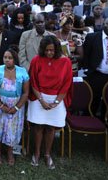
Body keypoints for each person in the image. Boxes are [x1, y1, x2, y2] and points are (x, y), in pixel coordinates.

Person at [28, 36, 72, 170]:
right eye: (46, 50)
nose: (49, 53)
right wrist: (41, 100)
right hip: (38, 97)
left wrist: (57, 101)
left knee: (51, 127)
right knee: (38, 127)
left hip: (57, 98)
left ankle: (47, 154)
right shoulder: (36, 60)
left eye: (52, 50)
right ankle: (36, 153)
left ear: (57, 49)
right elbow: (33, 82)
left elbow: (67, 83)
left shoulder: (66, 62)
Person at [0, 48, 30, 165]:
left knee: (12, 129)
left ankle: (10, 152)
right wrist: (1, 106)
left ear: (15, 59)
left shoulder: (22, 72)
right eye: (5, 57)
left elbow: (26, 92)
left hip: (16, 106)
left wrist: (16, 107)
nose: (7, 60)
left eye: (10, 58)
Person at [83, 17, 108, 118]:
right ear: (103, 25)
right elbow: (86, 55)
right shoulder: (92, 37)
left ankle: (105, 123)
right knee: (93, 101)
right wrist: (87, 70)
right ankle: (88, 124)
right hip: (96, 75)